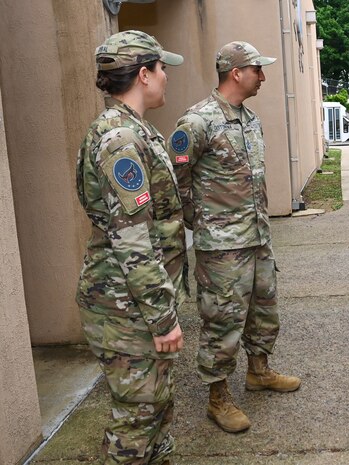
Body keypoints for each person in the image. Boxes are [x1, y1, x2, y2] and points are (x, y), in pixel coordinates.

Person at [167, 41, 300, 434]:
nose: (263, 77)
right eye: (258, 69)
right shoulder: (197, 122)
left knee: (264, 311)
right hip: (222, 247)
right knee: (222, 322)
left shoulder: (250, 119)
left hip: (257, 238)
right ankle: (218, 397)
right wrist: (202, 221)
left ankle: (259, 370)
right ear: (236, 73)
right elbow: (176, 180)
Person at [76, 30, 186, 464]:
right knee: (136, 419)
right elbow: (133, 241)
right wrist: (162, 319)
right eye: (162, 69)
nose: (166, 78)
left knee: (155, 404)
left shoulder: (132, 130)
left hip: (133, 299)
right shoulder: (120, 140)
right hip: (125, 304)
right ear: (144, 74)